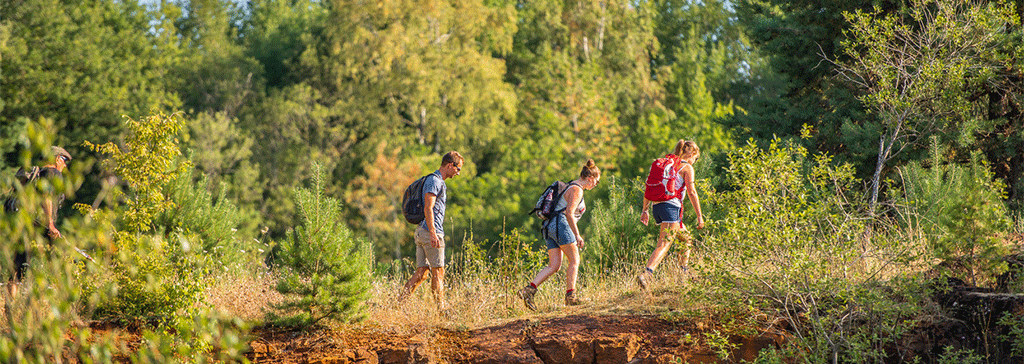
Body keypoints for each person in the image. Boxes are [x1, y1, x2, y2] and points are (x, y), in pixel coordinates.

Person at [518, 159, 601, 310]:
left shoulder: (570, 185)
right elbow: (569, 213)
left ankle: (528, 290)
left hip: (550, 226)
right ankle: (571, 296)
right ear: (590, 178)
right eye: (596, 182)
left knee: (554, 265)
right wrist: (577, 235)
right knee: (575, 260)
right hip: (561, 224)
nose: (595, 185)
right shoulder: (577, 189)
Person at [398, 151, 464, 308]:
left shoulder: (434, 180)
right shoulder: (435, 181)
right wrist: (434, 233)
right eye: (458, 169)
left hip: (423, 231)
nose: (458, 173)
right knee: (438, 272)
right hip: (430, 232)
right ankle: (441, 310)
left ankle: (398, 304)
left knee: (422, 273)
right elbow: (428, 207)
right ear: (450, 165)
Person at [636, 140, 704, 290]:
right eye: (696, 158)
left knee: (685, 238)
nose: (695, 161)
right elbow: (692, 192)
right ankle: (647, 274)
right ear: (691, 153)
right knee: (664, 244)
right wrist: (699, 216)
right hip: (671, 207)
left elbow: (650, 186)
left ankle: (683, 273)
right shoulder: (687, 167)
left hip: (658, 207)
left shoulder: (668, 164)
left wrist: (645, 210)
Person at [5, 146, 72, 299]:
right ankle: (64, 302)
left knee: (18, 265)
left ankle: (10, 307)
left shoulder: (37, 175)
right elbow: (46, 196)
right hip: (40, 224)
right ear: (56, 159)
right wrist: (50, 224)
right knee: (64, 258)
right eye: (64, 160)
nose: (65, 165)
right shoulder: (53, 173)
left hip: (25, 223)